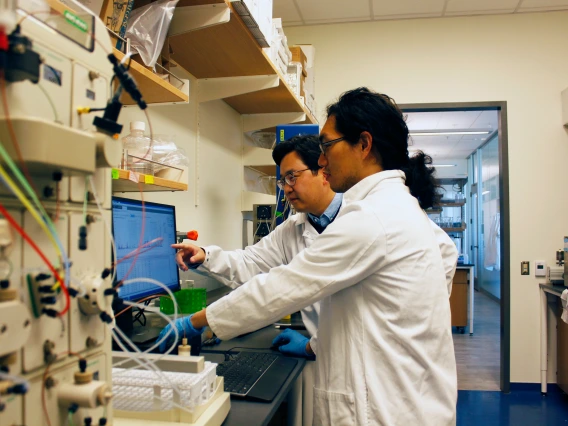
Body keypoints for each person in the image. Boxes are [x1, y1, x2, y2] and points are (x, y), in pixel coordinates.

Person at [162, 87, 458, 425]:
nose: (322, 159)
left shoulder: (372, 218)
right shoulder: (389, 208)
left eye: (327, 146)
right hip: (400, 394)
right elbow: (257, 266)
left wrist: (196, 323)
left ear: (363, 144)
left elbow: (281, 286)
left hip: (388, 405)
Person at [171, 134, 343, 358]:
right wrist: (204, 256)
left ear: (322, 170)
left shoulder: (355, 221)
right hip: (326, 352)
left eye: (293, 177)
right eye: (283, 181)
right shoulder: (292, 228)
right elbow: (251, 262)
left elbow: (277, 288)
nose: (287, 189)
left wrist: (313, 345)